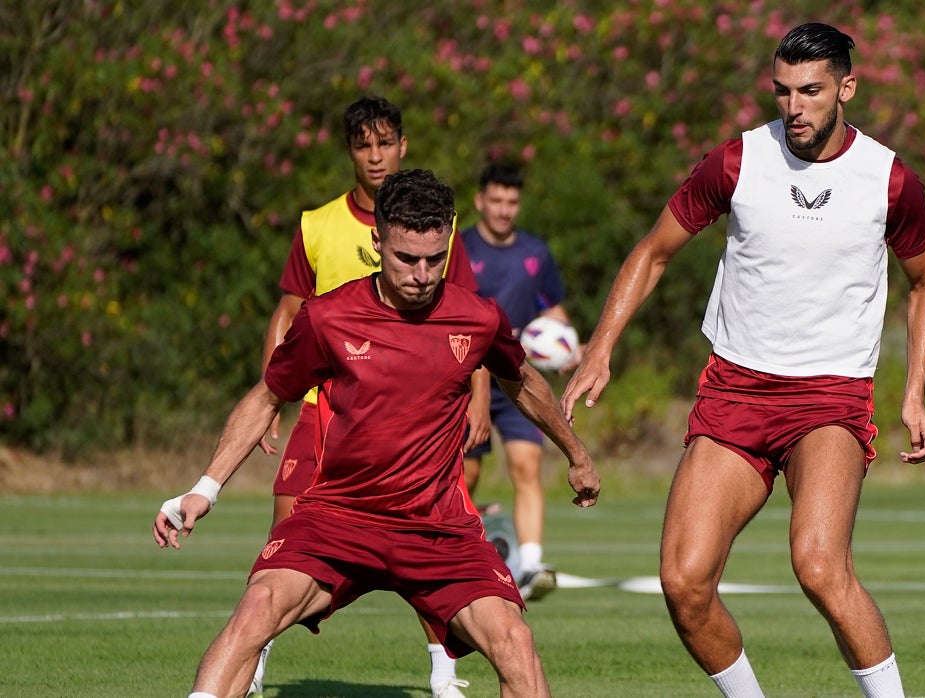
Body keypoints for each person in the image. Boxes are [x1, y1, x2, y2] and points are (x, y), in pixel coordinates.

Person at [560, 23, 925, 698]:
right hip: (735, 392)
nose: (794, 107)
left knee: (820, 566)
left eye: (811, 91)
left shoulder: (889, 180)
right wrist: (601, 347)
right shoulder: (738, 162)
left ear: (846, 89)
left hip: (830, 397)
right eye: (782, 91)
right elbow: (653, 252)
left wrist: (913, 394)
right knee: (684, 582)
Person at [153, 168, 600, 698]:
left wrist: (576, 454)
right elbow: (268, 396)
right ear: (378, 241)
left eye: (435, 259)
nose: (421, 274)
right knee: (257, 610)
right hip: (340, 517)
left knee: (514, 642)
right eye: (406, 258)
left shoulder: (478, 318)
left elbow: (522, 383)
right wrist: (206, 488)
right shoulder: (327, 318)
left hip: (437, 527)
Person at [256, 95, 491, 698]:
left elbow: (471, 322)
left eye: (385, 143)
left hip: (413, 418)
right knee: (287, 534)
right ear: (350, 152)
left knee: (425, 538)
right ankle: (253, 653)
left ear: (403, 146)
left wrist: (481, 400)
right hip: (322, 408)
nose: (375, 155)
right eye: (364, 145)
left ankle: (442, 667)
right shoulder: (317, 223)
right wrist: (269, 399)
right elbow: (287, 314)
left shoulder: (438, 227)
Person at [460, 163, 577, 601]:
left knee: (527, 467)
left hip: (517, 379)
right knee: (464, 477)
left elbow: (553, 313)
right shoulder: (460, 249)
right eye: (496, 201)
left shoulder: (536, 252)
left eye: (512, 202)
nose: (504, 210)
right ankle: (469, 551)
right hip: (469, 379)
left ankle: (529, 568)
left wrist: (570, 347)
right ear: (480, 201)